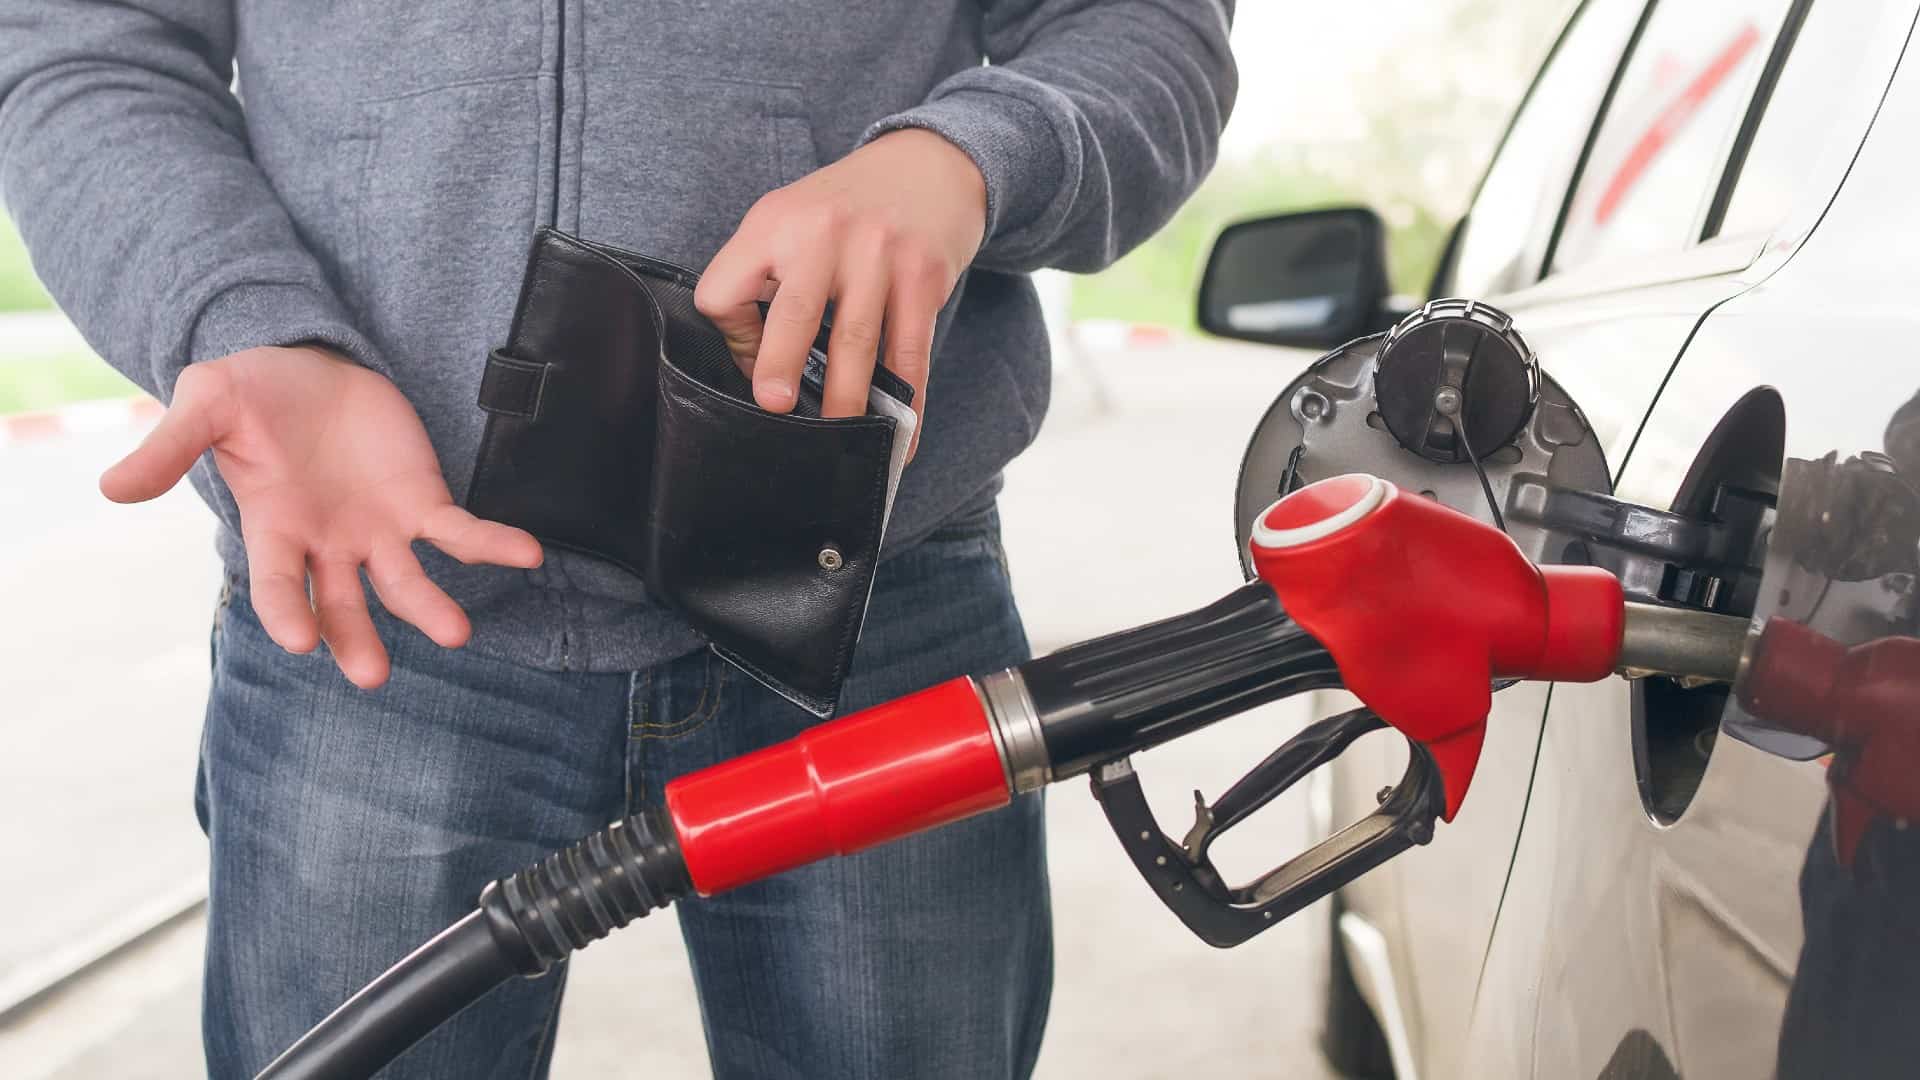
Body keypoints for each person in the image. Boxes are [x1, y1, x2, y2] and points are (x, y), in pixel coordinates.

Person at [0, 3, 1236, 1076]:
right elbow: (84, 44)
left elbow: (1141, 27)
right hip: (377, 589)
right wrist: (245, 318)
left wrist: (966, 157)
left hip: (870, 593)